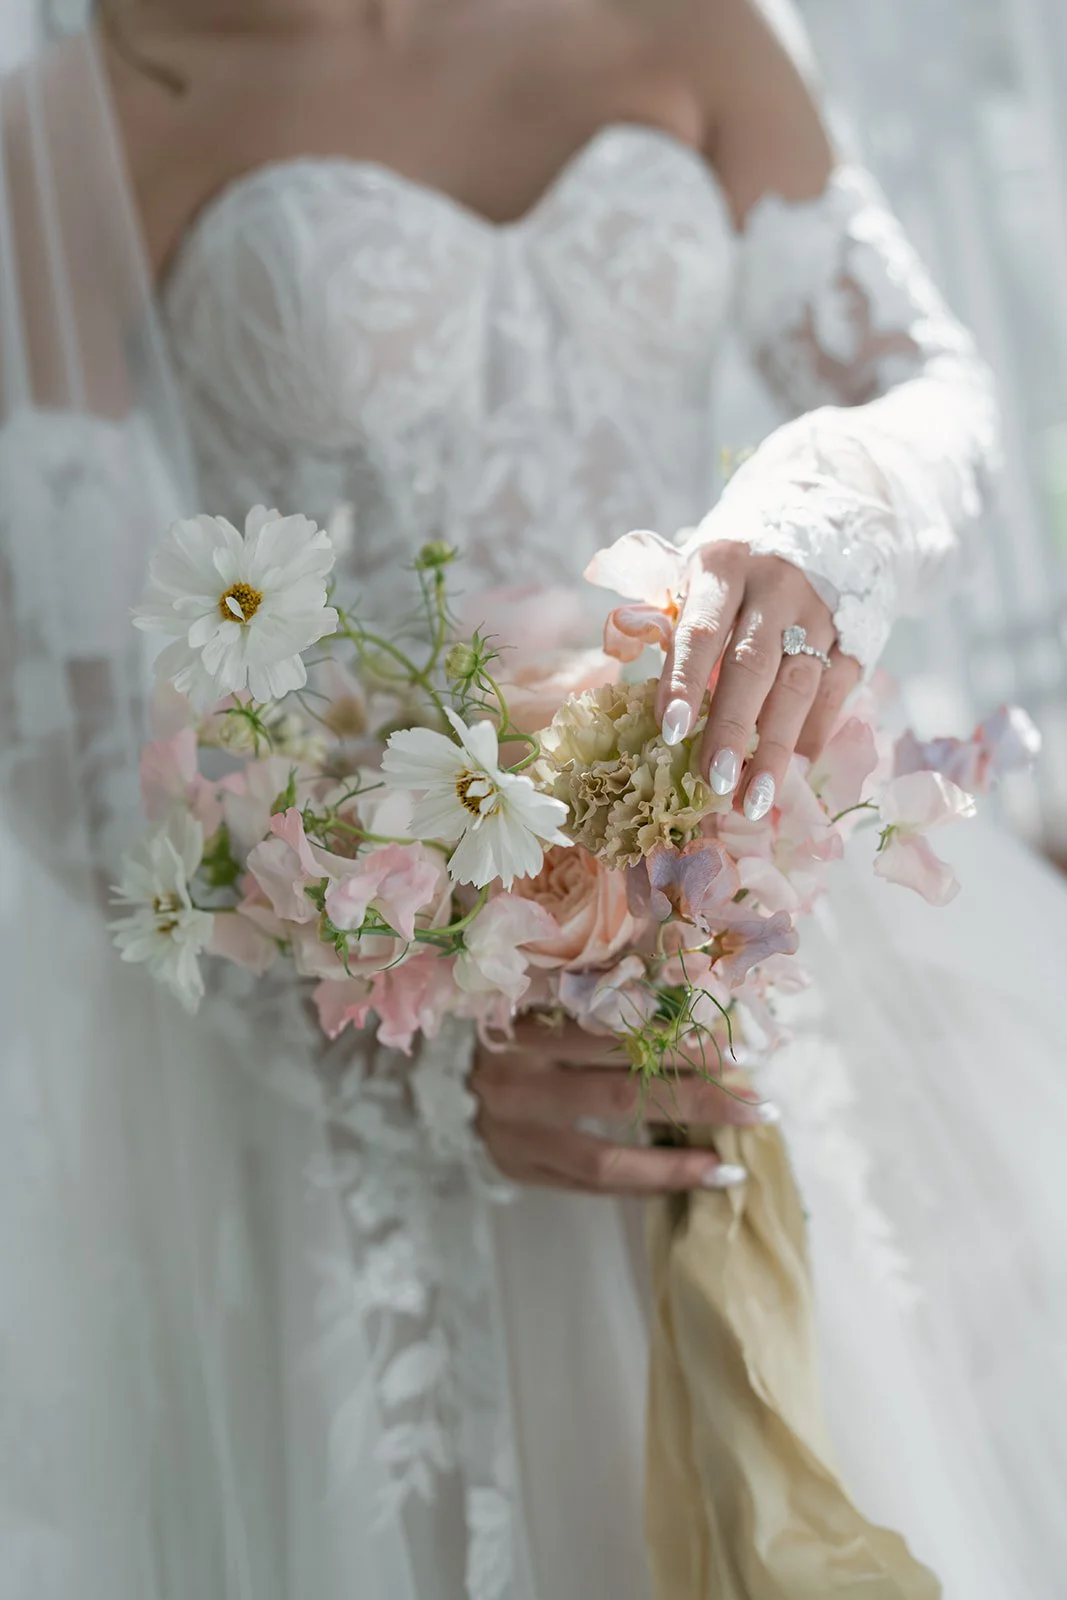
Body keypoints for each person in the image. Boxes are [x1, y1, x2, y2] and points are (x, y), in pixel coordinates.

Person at [2, 0, 1066, 1595]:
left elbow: (925, 379)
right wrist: (414, 1061)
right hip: (411, 1031)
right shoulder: (88, 111)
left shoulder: (693, 16)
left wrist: (839, 493)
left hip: (768, 915)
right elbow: (61, 703)